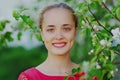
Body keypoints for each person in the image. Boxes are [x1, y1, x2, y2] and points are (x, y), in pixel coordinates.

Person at [18, 2, 83, 80]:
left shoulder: (89, 75)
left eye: (66, 29)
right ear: (42, 33)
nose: (59, 36)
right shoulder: (29, 77)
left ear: (75, 32)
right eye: (51, 30)